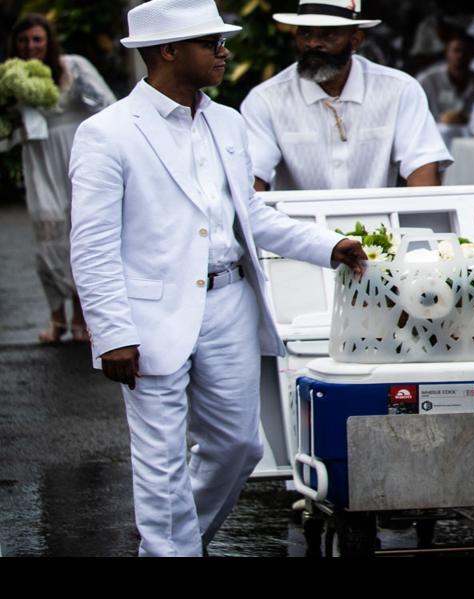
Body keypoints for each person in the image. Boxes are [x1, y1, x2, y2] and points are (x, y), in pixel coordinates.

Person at [68, 0, 368, 556]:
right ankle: (169, 550)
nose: (224, 53)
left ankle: (179, 543)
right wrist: (112, 332)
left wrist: (329, 245)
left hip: (229, 300)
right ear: (167, 51)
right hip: (150, 314)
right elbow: (92, 244)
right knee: (158, 457)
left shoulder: (227, 122)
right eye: (212, 43)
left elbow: (249, 215)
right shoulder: (106, 133)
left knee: (239, 446)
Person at [241, 0, 452, 191]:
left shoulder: (400, 89)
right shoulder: (266, 99)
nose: (313, 43)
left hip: (378, 228)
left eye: (328, 34)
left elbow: (423, 167)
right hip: (297, 229)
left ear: (356, 40)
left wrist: (420, 229)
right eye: (305, 33)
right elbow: (253, 177)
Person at [9, 15, 116, 345]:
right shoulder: (10, 78)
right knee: (48, 237)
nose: (31, 47)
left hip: (77, 155)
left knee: (81, 234)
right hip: (40, 159)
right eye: (24, 41)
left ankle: (82, 317)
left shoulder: (74, 67)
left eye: (37, 39)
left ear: (49, 41)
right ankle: (56, 317)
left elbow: (106, 105)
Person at [416, 32, 474, 145]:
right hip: (431, 141)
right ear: (447, 52)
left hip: (471, 143)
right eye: (456, 50)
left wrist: (467, 119)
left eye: (466, 52)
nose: (460, 56)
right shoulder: (427, 80)